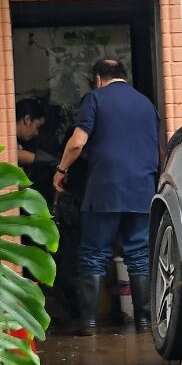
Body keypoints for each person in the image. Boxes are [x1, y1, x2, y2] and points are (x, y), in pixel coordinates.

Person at [53, 58, 162, 335]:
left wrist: (61, 169)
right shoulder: (146, 104)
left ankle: (89, 324)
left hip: (104, 191)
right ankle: (144, 322)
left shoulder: (95, 98)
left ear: (98, 78)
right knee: (139, 254)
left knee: (93, 253)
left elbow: (78, 142)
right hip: (141, 190)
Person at [14, 97, 58, 203]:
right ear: (27, 120)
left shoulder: (19, 141)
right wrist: (54, 162)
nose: (36, 133)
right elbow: (16, 155)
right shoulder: (8, 139)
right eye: (37, 126)